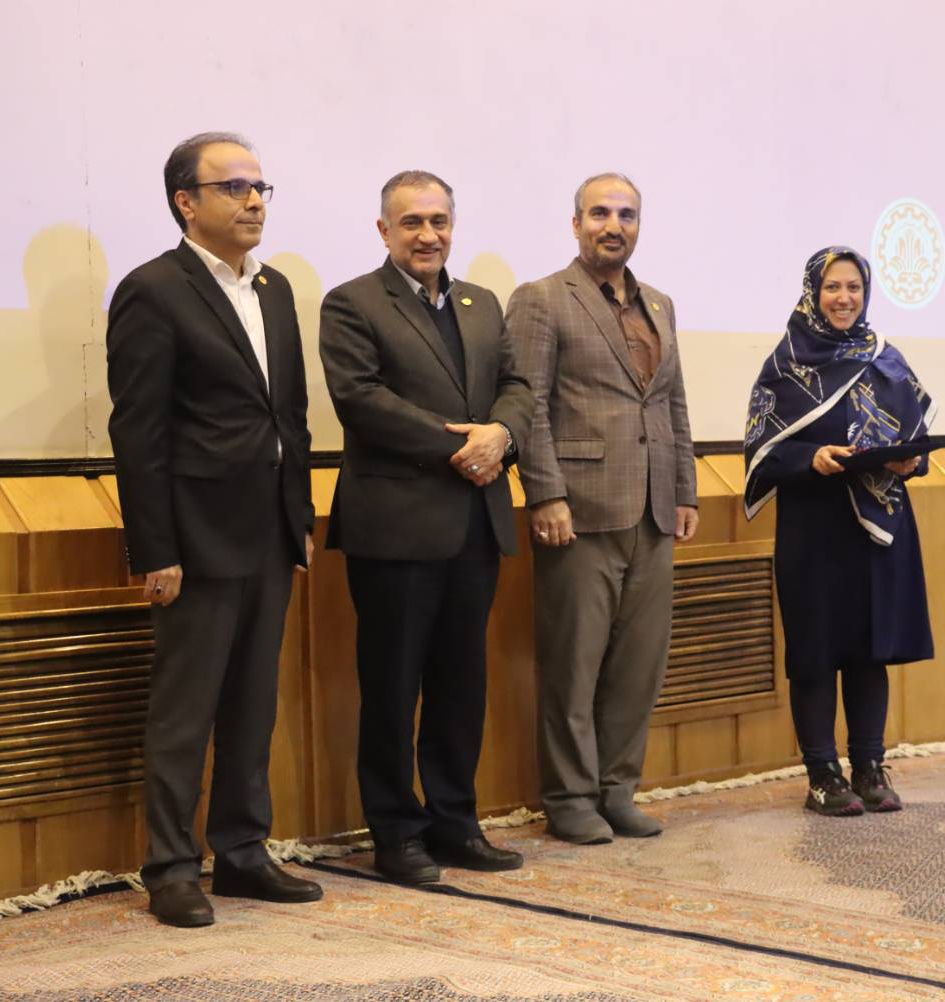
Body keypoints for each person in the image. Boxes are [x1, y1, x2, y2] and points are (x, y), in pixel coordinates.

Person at [107, 132, 321, 927]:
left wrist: (298, 517)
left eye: (260, 187)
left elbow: (288, 413)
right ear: (185, 202)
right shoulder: (154, 290)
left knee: (253, 706)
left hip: (268, 530)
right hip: (196, 538)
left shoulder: (275, 288)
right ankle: (170, 867)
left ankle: (242, 852)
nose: (254, 200)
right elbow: (139, 432)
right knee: (184, 711)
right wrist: (155, 549)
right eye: (234, 187)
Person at [319, 170, 533, 883]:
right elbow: (360, 399)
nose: (427, 235)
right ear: (384, 230)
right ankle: (395, 833)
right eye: (411, 222)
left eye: (439, 221)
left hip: (475, 523)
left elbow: (517, 386)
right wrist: (463, 446)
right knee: (392, 688)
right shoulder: (351, 303)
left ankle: (455, 824)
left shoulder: (481, 303)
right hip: (396, 529)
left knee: (460, 686)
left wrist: (502, 434)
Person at [506, 173, 698, 845]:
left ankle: (618, 791)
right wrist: (545, 492)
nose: (613, 225)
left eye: (626, 214)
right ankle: (569, 799)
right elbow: (527, 404)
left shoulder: (660, 304)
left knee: (638, 667)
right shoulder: (541, 299)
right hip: (579, 510)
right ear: (576, 223)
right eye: (599, 213)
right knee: (574, 665)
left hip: (654, 510)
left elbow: (672, 403)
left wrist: (685, 489)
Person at [742, 246, 936, 816]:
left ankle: (870, 767)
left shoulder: (886, 358)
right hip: (814, 526)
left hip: (879, 527)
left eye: (854, 287)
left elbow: (916, 438)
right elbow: (761, 451)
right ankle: (823, 775)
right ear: (813, 293)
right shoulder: (785, 363)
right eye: (832, 287)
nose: (844, 298)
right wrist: (811, 456)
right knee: (816, 650)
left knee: (870, 649)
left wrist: (911, 462)